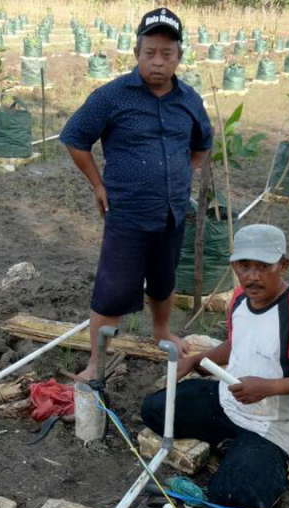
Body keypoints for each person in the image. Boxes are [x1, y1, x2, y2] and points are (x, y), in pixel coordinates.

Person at [142, 224, 289, 508]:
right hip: (230, 402)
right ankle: (233, 447)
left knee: (236, 495)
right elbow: (238, 342)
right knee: (154, 410)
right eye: (244, 266)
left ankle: (270, 463)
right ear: (234, 265)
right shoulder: (240, 298)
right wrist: (197, 361)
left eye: (263, 266)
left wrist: (270, 387)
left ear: (283, 265)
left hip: (274, 427)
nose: (252, 276)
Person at [59, 7, 213, 381]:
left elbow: (202, 143)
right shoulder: (112, 96)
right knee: (112, 291)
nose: (158, 61)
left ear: (179, 56)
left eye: (167, 53)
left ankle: (161, 331)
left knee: (163, 279)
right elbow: (75, 138)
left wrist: (180, 175)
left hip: (172, 212)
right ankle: (96, 363)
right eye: (150, 52)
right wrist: (98, 185)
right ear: (136, 53)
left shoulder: (189, 100)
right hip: (127, 212)